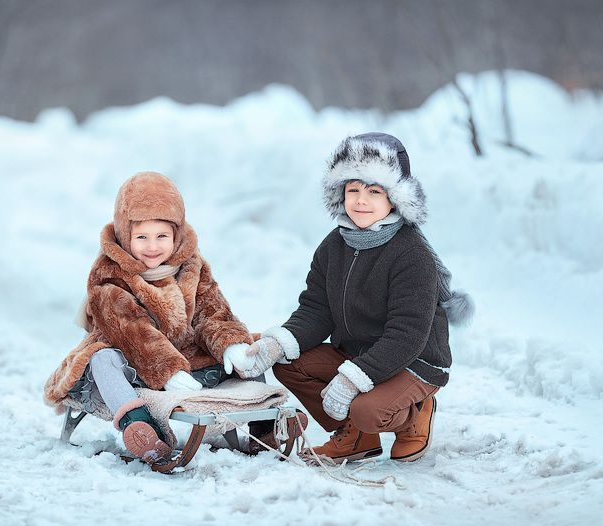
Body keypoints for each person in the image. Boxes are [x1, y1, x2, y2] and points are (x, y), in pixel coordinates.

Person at [232, 133, 473, 464]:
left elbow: (407, 335)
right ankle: (356, 437)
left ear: (396, 197)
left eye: (374, 191)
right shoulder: (334, 246)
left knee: (367, 410)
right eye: (353, 190)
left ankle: (414, 412)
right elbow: (316, 309)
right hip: (358, 353)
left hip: (414, 361)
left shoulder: (412, 254)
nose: (361, 200)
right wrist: (277, 343)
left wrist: (350, 380)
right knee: (288, 363)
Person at [44, 171, 256, 463]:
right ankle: (140, 424)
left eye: (161, 236)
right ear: (124, 235)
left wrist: (229, 341)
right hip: (130, 353)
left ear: (176, 235)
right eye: (141, 237)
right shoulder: (109, 272)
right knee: (101, 361)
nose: (152, 246)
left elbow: (211, 308)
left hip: (184, 355)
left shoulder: (191, 265)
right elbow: (132, 328)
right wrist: (167, 370)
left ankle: (265, 426)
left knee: (250, 349)